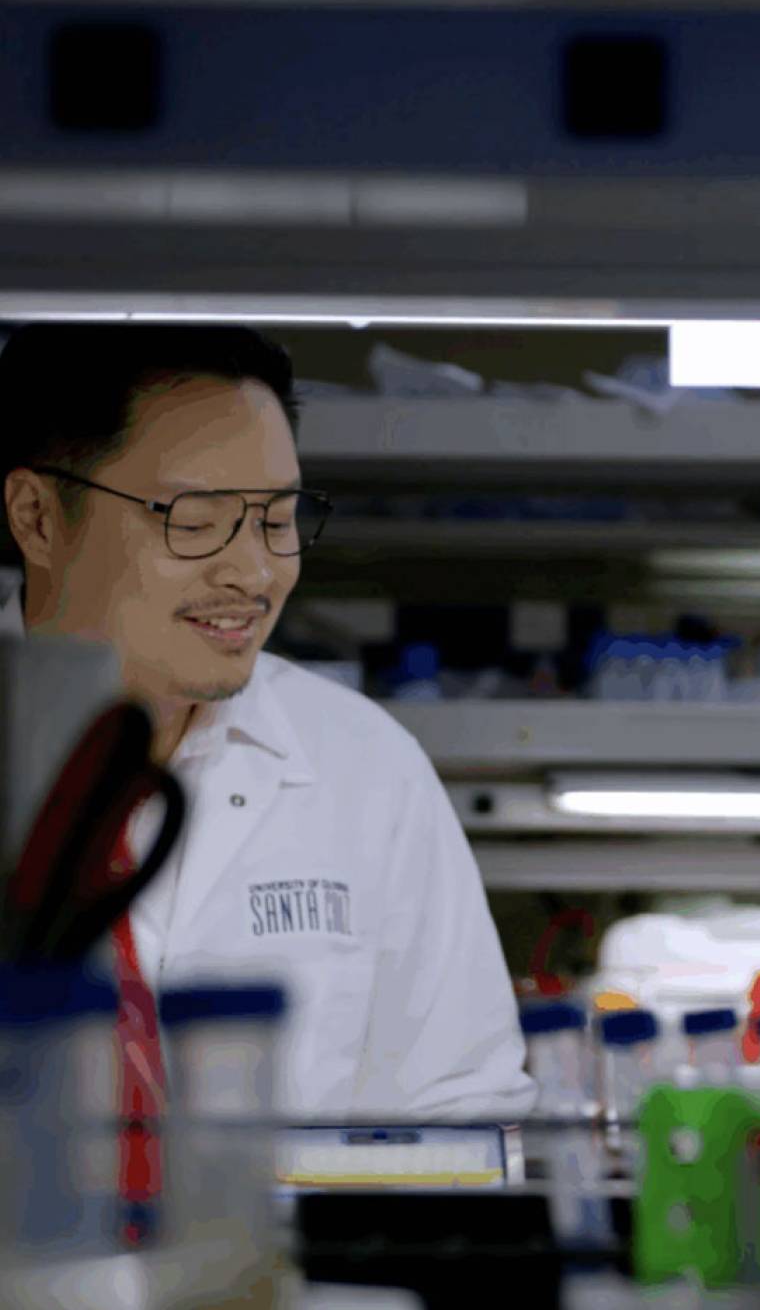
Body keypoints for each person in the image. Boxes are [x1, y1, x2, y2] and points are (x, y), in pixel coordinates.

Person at [0, 323, 535, 1120]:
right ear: (39, 518)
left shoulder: (366, 767)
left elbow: (456, 1107)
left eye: (277, 520)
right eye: (194, 516)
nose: (253, 571)